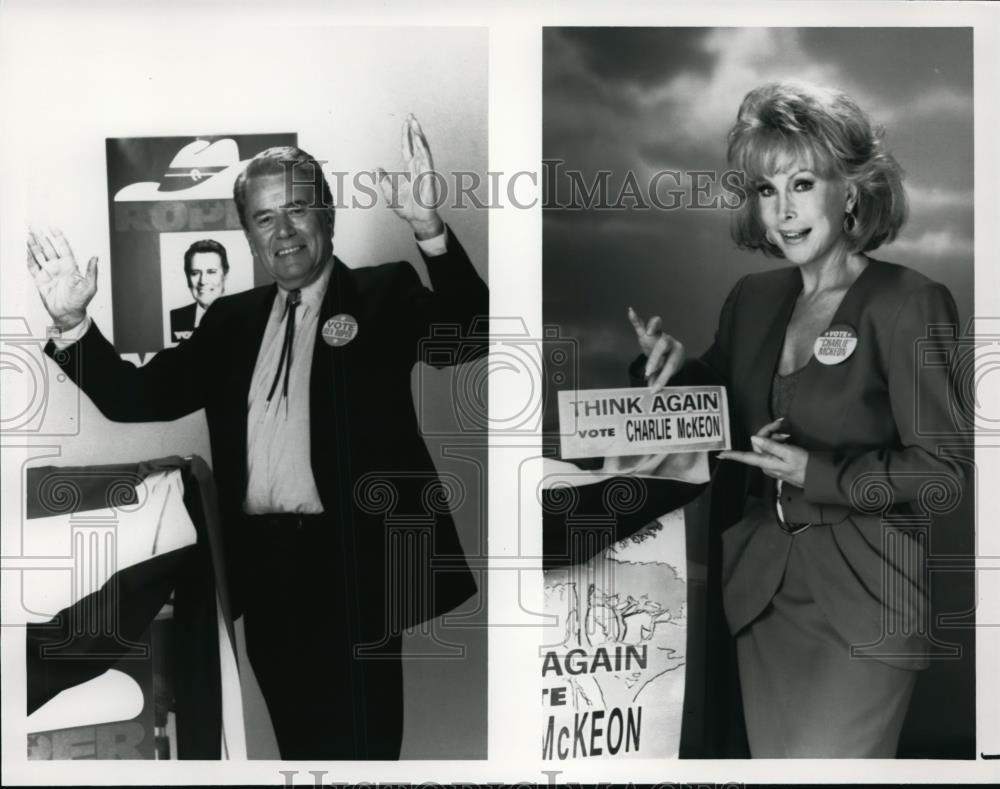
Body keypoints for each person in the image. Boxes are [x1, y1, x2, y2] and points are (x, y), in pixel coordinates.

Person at [26, 115, 488, 760]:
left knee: (363, 753)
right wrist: (75, 325)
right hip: (266, 575)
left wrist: (428, 229)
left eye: (298, 208)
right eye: (265, 218)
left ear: (326, 213)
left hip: (358, 568)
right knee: (300, 751)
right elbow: (137, 399)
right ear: (247, 235)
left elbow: (471, 335)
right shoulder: (231, 321)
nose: (284, 230)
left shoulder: (384, 293)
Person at [628, 82, 967, 757]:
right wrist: (666, 371)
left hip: (866, 601)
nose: (781, 212)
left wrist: (817, 471)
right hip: (761, 595)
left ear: (851, 190)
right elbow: (718, 407)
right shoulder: (751, 299)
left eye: (802, 183)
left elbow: (943, 473)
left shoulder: (909, 302)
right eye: (765, 190)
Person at [170, 238, 229, 343]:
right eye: (195, 273)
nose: (203, 281)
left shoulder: (244, 315)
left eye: (211, 272)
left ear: (225, 274)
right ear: (187, 277)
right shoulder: (175, 318)